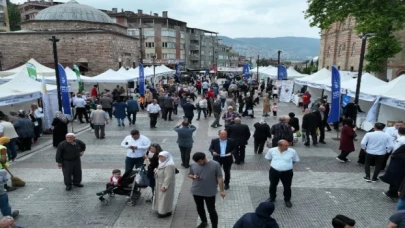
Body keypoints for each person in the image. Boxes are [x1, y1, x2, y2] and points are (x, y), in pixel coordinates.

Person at [189, 152, 226, 228]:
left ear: (204, 158)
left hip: (210, 192)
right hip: (196, 191)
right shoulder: (193, 164)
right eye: (197, 162)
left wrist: (222, 190)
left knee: (211, 210)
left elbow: (219, 178)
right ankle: (204, 221)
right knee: (199, 208)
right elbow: (189, 174)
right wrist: (193, 176)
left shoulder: (215, 164)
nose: (198, 164)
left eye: (199, 162)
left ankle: (214, 226)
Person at [265, 140, 300, 208]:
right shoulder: (272, 151)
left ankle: (287, 199)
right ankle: (272, 198)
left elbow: (295, 160)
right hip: (274, 171)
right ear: (279, 145)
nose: (287, 146)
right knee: (272, 185)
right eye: (285, 145)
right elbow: (269, 158)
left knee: (287, 186)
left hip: (287, 172)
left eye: (288, 145)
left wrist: (287, 166)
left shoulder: (292, 151)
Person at [154, 151, 176, 218]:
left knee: (164, 198)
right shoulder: (162, 163)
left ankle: (163, 212)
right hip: (160, 183)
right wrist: (157, 171)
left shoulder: (169, 165)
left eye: (162, 157)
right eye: (159, 156)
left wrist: (164, 186)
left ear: (166, 157)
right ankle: (164, 210)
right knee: (161, 198)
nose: (160, 158)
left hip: (165, 185)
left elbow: (168, 177)